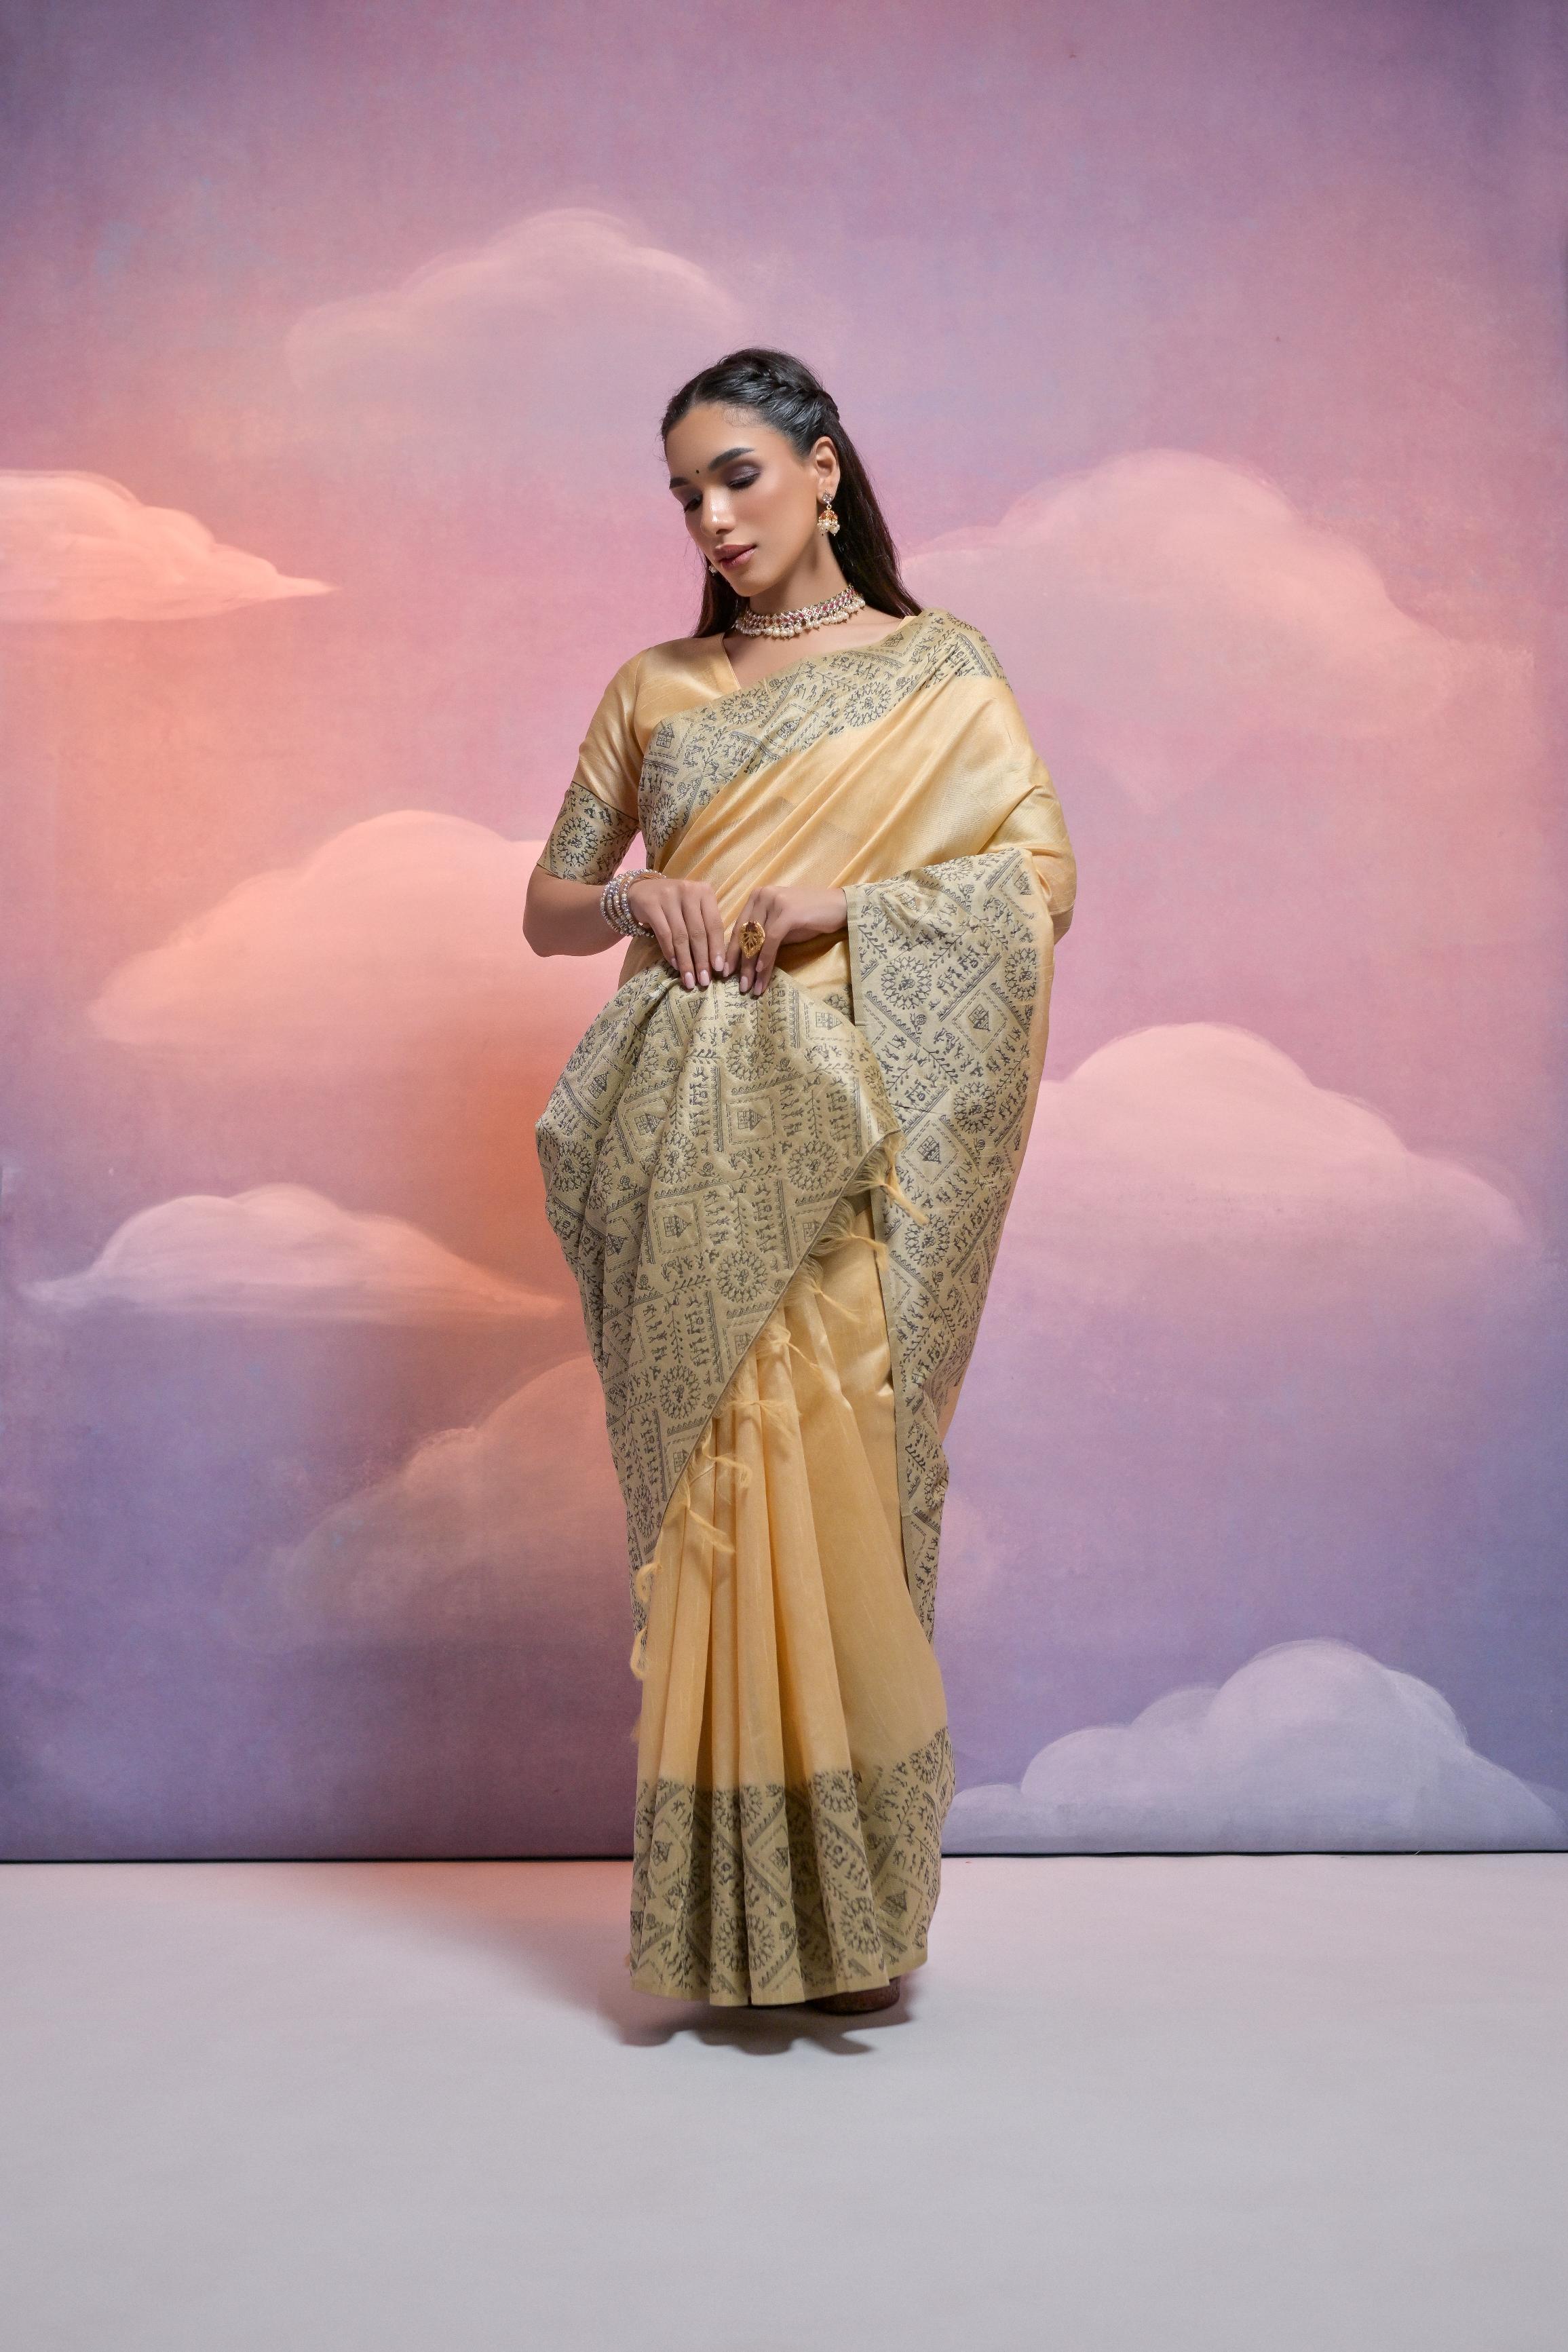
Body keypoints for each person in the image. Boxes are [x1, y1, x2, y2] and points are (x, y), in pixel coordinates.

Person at [526, 347, 1075, 2013]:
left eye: (740, 475)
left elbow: (1037, 877)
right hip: (689, 1135)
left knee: (831, 1478)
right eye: (686, 492)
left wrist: (853, 902)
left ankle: (853, 1920)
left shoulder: (939, 667)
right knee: (722, 1501)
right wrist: (638, 900)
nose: (713, 515)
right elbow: (548, 906)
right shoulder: (655, 686)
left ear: (823, 469)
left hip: (855, 1135)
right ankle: (724, 1926)